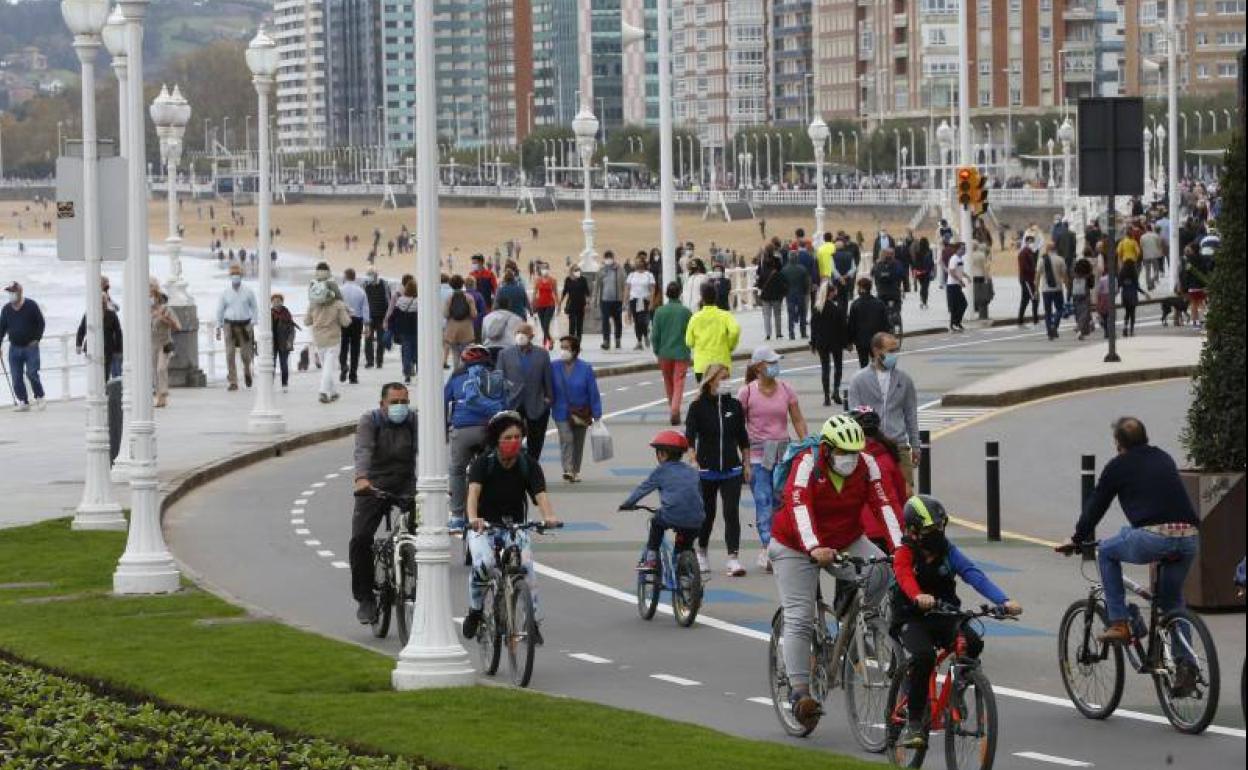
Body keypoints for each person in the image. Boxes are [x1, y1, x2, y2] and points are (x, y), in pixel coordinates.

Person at [771, 414, 903, 731]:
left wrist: (901, 549)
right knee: (800, 616)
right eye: (844, 453)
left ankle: (862, 620)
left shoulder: (866, 465)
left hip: (846, 539)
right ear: (828, 449)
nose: (850, 459)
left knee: (882, 570)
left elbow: (885, 505)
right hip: (795, 544)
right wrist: (814, 547)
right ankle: (799, 692)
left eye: (855, 452)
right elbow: (798, 505)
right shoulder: (807, 463)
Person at [1057, 418, 1200, 654]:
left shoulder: (1118, 466)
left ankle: (1120, 623)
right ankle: (1186, 665)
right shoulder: (1163, 456)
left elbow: (1096, 506)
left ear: (1118, 444)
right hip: (1189, 537)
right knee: (1171, 601)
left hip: (1154, 537)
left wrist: (1077, 539)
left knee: (1106, 551)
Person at [892, 494, 1022, 749]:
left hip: (945, 615)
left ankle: (957, 691)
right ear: (913, 531)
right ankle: (915, 722)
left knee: (972, 642)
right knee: (924, 656)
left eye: (941, 527)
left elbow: (974, 574)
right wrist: (918, 596)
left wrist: (1004, 601)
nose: (938, 533)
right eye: (931, 529)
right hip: (912, 618)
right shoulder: (904, 553)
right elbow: (904, 577)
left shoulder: (948, 551)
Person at [461, 411, 561, 642]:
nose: (514, 442)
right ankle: (475, 611)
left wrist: (549, 517)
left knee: (527, 569)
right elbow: (473, 494)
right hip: (484, 526)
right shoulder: (482, 463)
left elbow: (540, 494)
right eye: (508, 437)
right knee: (484, 563)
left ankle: (532, 623)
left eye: (518, 437)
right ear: (496, 439)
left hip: (515, 526)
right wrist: (473, 518)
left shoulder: (529, 465)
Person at [350, 383, 417, 623]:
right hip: (373, 485)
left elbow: (427, 451)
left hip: (405, 482)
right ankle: (365, 599)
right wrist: (361, 479)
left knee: (425, 532)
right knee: (360, 539)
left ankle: (411, 565)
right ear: (382, 404)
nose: (400, 407)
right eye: (394, 402)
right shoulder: (370, 421)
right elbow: (363, 450)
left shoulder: (413, 421)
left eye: (404, 402)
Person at [739, 346, 808, 572]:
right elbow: (738, 427)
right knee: (763, 501)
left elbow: (797, 419)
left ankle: (781, 543)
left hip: (782, 454)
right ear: (759, 367)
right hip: (758, 456)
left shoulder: (786, 389)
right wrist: (744, 459)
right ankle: (767, 546)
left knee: (781, 501)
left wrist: (806, 444)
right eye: (771, 363)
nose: (775, 366)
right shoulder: (747, 393)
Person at [684, 364, 750, 577]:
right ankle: (702, 550)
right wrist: (693, 459)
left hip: (732, 468)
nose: (727, 382)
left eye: (729, 377)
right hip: (706, 469)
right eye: (723, 378)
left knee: (731, 512)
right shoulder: (698, 406)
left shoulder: (735, 405)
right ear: (711, 381)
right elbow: (689, 437)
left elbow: (743, 438)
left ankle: (733, 558)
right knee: (708, 514)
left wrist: (746, 464)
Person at [444, 345, 512, 529]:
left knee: (457, 469)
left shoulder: (457, 378)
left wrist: (445, 431)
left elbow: (444, 403)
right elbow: (507, 405)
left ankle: (457, 515)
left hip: (464, 430)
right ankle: (498, 510)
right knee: (495, 469)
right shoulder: (496, 378)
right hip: (490, 430)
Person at [620, 430, 707, 572]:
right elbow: (699, 494)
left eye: (658, 452)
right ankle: (687, 566)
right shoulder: (692, 471)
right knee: (685, 542)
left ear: (663, 454)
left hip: (672, 515)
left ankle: (651, 558)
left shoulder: (661, 471)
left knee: (656, 523)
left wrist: (627, 504)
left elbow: (643, 489)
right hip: (697, 518)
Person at [848, 332, 921, 489]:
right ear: (876, 351)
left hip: (899, 448)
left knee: (905, 496)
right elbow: (853, 418)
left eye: (896, 350)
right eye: (890, 351)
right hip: (870, 449)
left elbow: (911, 415)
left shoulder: (905, 380)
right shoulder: (858, 380)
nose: (894, 355)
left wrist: (915, 446)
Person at [852, 406, 909, 551]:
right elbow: (902, 493)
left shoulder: (851, 458)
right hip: (892, 526)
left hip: (861, 529)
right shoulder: (888, 453)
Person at [497, 323, 553, 461]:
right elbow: (499, 379)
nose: (520, 336)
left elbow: (548, 379)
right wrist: (501, 400)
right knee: (510, 438)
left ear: (531, 336)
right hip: (512, 403)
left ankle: (533, 465)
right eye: (518, 332)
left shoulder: (542, 354)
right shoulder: (505, 354)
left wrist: (548, 399)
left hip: (536, 403)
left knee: (536, 440)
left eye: (524, 333)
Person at [551, 335, 603, 482]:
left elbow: (593, 391)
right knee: (566, 438)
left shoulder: (585, 368)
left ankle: (575, 471)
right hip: (560, 410)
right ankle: (567, 469)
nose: (563, 351)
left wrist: (597, 413)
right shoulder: (553, 366)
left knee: (578, 442)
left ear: (575, 350)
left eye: (566, 348)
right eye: (561, 347)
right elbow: (547, 386)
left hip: (581, 411)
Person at [650, 281, 693, 426]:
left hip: (664, 352)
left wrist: (656, 350)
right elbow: (691, 333)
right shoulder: (686, 312)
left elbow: (655, 335)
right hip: (681, 352)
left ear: (666, 294)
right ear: (680, 293)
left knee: (668, 383)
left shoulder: (659, 312)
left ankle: (673, 409)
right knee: (678, 382)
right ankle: (675, 410)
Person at [305, 273, 352, 403]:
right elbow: (345, 322)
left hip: (318, 339)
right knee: (328, 367)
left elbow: (306, 321)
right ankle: (323, 392)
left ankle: (333, 392)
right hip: (333, 339)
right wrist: (348, 314)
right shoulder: (338, 304)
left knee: (326, 367)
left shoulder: (313, 304)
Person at [685, 282, 740, 384]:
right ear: (716, 297)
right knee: (723, 395)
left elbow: (689, 342)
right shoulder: (725, 316)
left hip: (702, 366)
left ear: (702, 297)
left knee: (704, 397)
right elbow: (735, 330)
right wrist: (730, 345)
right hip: (722, 363)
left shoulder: (695, 318)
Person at [215, 263, 258, 391]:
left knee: (246, 354)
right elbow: (220, 310)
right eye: (233, 275)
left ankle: (247, 371)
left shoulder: (248, 292)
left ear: (241, 276)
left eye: (237, 275)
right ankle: (233, 381)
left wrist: (253, 323)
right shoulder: (225, 293)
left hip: (245, 324)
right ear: (230, 277)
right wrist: (218, 326)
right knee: (229, 354)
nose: (235, 277)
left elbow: (255, 308)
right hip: (229, 324)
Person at [810, 279, 849, 407]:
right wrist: (846, 343)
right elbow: (842, 328)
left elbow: (813, 327)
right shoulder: (837, 309)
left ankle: (826, 396)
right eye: (834, 291)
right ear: (830, 293)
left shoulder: (817, 308)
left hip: (822, 342)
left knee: (825, 368)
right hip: (836, 342)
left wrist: (813, 342)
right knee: (838, 367)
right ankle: (836, 392)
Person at [75, 295, 123, 385]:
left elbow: (118, 332)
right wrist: (78, 344)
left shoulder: (112, 315)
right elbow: (82, 329)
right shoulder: (89, 314)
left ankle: (104, 393)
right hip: (91, 347)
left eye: (103, 302)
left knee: (105, 374)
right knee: (93, 372)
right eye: (100, 302)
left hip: (107, 349)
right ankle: (95, 392)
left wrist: (118, 350)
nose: (102, 304)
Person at [150, 280, 182, 408]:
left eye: (152, 295)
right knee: (154, 371)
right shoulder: (145, 311)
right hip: (152, 345)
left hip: (165, 344)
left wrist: (164, 319)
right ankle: (159, 397)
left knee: (161, 369)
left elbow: (178, 327)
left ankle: (163, 394)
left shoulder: (166, 310)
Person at [846, 277, 890, 368]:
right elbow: (885, 324)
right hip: (877, 340)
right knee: (879, 365)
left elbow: (851, 325)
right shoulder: (879, 303)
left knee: (863, 365)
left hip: (861, 341)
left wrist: (849, 341)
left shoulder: (855, 305)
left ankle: (866, 381)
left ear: (861, 288)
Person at [338, 268, 368, 385]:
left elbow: (337, 306)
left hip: (344, 319)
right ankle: (353, 375)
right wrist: (367, 324)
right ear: (354, 277)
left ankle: (344, 365)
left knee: (344, 345)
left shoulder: (340, 290)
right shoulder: (361, 291)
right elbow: (365, 309)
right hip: (357, 320)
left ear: (345, 276)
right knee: (355, 347)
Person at [1036, 240, 1069, 340]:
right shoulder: (1060, 259)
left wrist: (1036, 289)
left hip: (1046, 290)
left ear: (1047, 249)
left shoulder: (1042, 260)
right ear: (1055, 249)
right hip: (1057, 288)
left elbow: (1037, 275)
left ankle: (1049, 331)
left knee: (1048, 311)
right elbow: (1064, 275)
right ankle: (1054, 326)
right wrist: (1067, 285)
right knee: (1059, 309)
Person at [593, 251, 626, 350]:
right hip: (605, 300)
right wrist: (595, 300)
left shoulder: (619, 269)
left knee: (618, 321)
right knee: (605, 321)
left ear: (613, 258)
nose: (608, 259)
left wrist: (625, 301)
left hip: (617, 300)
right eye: (606, 257)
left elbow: (625, 285)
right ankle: (606, 341)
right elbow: (597, 286)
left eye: (610, 257)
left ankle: (618, 339)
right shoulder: (601, 270)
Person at [443, 275, 479, 363]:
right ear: (462, 284)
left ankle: (456, 373)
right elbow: (474, 314)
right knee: (467, 355)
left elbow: (445, 314)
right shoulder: (469, 297)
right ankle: (464, 374)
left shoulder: (449, 298)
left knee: (455, 355)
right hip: (467, 331)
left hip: (453, 331)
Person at [756, 248, 788, 341]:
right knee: (777, 315)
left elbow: (759, 285)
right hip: (777, 297)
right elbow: (783, 285)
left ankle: (768, 334)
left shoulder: (763, 272)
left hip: (765, 296)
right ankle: (778, 334)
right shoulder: (778, 273)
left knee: (766, 316)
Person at [625, 254, 656, 350]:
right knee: (636, 321)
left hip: (644, 300)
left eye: (640, 262)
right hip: (634, 300)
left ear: (643, 263)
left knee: (642, 321)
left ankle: (646, 334)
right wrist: (625, 301)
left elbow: (652, 289)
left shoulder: (649, 275)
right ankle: (639, 341)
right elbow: (627, 288)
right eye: (636, 262)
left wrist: (651, 301)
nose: (638, 264)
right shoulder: (631, 275)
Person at [480, 296, 523, 363]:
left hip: (489, 349)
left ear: (496, 305)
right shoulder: (517, 318)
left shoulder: (487, 317)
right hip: (509, 349)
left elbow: (483, 337)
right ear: (509, 305)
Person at [390, 281, 419, 383]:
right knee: (417, 350)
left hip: (404, 330)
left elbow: (394, 315)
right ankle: (418, 368)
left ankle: (407, 373)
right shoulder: (419, 301)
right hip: (417, 329)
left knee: (406, 352)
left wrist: (392, 327)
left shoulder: (401, 300)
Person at [361, 268, 390, 369]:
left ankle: (379, 361)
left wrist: (387, 317)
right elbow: (362, 301)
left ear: (376, 275)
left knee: (381, 340)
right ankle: (369, 361)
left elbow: (388, 301)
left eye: (370, 275)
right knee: (368, 339)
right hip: (369, 318)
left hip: (381, 317)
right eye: (368, 275)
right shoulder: (365, 285)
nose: (369, 277)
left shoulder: (384, 284)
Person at [781, 250, 811, 340]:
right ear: (797, 258)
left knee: (790, 314)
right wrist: (805, 292)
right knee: (802, 314)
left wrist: (785, 292)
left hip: (789, 294)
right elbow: (806, 283)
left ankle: (791, 334)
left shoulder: (784, 270)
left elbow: (782, 284)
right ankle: (803, 333)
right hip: (801, 293)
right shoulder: (802, 269)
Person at [270, 293, 297, 392]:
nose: (276, 303)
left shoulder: (286, 314)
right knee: (270, 365)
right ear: (271, 303)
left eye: (278, 301)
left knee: (283, 364)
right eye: (274, 301)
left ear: (282, 302)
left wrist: (290, 341)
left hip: (284, 343)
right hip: (272, 344)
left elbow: (292, 330)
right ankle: (270, 384)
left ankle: (284, 384)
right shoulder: (269, 314)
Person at [560, 265, 590, 342]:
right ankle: (571, 342)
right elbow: (565, 291)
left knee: (579, 325)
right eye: (576, 270)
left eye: (578, 270)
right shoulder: (568, 280)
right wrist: (560, 302)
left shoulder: (583, 279)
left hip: (581, 305)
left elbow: (587, 292)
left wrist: (587, 303)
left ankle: (578, 343)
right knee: (572, 324)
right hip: (571, 305)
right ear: (572, 271)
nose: (578, 272)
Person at [533, 265, 559, 349]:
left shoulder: (553, 280)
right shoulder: (538, 280)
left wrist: (558, 305)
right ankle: (546, 342)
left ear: (548, 270)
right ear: (540, 270)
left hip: (550, 305)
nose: (545, 271)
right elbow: (534, 292)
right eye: (543, 269)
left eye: (546, 269)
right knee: (542, 324)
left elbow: (555, 293)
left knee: (546, 324)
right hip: (540, 304)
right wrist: (533, 303)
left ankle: (550, 341)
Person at [1071, 251, 1095, 340]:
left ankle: (1083, 331)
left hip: (1075, 293)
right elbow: (1091, 285)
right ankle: (1079, 328)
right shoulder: (1088, 275)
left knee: (1078, 311)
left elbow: (1070, 283)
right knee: (1085, 311)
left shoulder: (1075, 275)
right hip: (1085, 293)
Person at [1016, 235, 1039, 326]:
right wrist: (1034, 271)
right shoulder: (1024, 253)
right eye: (1030, 242)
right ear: (1026, 242)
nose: (1032, 244)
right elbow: (1025, 267)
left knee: (1025, 299)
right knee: (1034, 298)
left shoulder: (1030, 252)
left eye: (1033, 242)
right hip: (1027, 279)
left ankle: (1020, 319)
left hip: (1028, 279)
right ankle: (1035, 319)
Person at [945, 243, 969, 332]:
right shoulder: (954, 259)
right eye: (962, 249)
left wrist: (966, 276)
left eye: (964, 249)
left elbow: (960, 271)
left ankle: (957, 322)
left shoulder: (960, 259)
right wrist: (960, 281)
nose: (964, 250)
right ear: (957, 249)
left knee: (962, 304)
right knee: (956, 306)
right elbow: (951, 272)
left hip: (957, 285)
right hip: (952, 285)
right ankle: (953, 324)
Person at [1118, 258, 1142, 337]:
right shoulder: (1134, 272)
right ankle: (1131, 330)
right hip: (1133, 294)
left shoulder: (1122, 272)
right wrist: (1144, 293)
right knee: (1132, 313)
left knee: (1127, 312)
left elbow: (1119, 284)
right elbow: (1137, 285)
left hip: (1125, 294)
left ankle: (1125, 328)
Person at [1140, 225, 1164, 291]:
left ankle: (1149, 285)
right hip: (1155, 255)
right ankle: (1153, 280)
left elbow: (1141, 246)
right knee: (1156, 270)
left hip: (1146, 256)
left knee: (1147, 271)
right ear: (1151, 229)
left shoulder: (1142, 236)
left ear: (1146, 229)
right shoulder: (1156, 236)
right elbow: (1159, 245)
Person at [912, 237, 935, 309]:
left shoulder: (918, 252)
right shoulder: (930, 251)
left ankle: (922, 300)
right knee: (925, 287)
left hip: (920, 272)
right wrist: (932, 270)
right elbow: (931, 262)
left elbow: (915, 263)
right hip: (927, 272)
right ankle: (925, 302)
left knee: (922, 286)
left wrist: (915, 270)